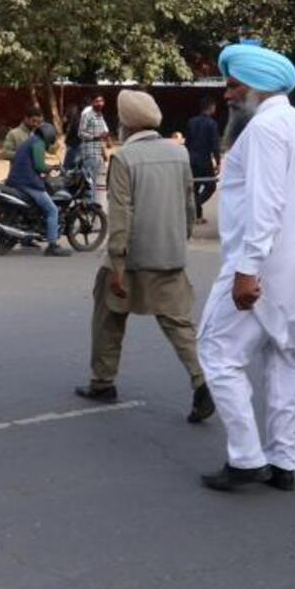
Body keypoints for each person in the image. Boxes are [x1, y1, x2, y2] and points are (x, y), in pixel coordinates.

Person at [197, 43, 295, 493]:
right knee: (283, 360)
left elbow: (265, 205)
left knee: (216, 352)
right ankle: (283, 461)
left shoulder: (267, 130)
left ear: (256, 87)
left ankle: (248, 457)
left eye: (233, 86)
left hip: (260, 268)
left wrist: (247, 270)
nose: (228, 95)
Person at [75, 90, 213, 422]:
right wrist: (180, 241)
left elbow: (121, 214)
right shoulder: (178, 155)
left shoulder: (124, 158)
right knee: (179, 324)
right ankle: (202, 382)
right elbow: (189, 206)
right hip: (169, 254)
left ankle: (103, 381)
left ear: (124, 123)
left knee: (108, 316)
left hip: (132, 258)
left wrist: (118, 262)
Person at [6, 121, 72, 257]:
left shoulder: (30, 140)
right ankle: (52, 246)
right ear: (48, 137)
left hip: (16, 180)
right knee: (52, 210)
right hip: (27, 182)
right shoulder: (38, 144)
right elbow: (39, 166)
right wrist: (52, 167)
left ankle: (30, 236)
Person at [187, 98, 223, 224]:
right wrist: (218, 161)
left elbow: (187, 143)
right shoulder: (211, 124)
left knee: (195, 187)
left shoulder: (191, 122)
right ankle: (196, 205)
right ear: (211, 107)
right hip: (204, 160)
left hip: (191, 159)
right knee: (211, 185)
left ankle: (197, 216)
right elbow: (215, 145)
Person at [79, 94, 111, 210]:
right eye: (97, 101)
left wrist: (106, 140)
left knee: (93, 180)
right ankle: (87, 206)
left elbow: (104, 132)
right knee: (89, 180)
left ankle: (90, 205)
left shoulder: (99, 116)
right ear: (92, 102)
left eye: (102, 101)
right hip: (89, 152)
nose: (100, 103)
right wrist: (97, 136)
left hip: (97, 152)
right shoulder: (87, 115)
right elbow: (81, 133)